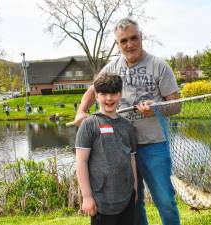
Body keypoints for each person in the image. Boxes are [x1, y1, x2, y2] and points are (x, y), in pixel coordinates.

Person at [74, 18, 181, 225]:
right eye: (123, 41)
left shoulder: (159, 66)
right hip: (120, 146)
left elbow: (177, 105)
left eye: (134, 38)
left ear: (141, 38)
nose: (129, 44)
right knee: (135, 201)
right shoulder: (111, 68)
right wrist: (81, 111)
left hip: (154, 145)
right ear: (117, 44)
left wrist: (156, 109)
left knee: (165, 200)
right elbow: (93, 90)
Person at [75, 74, 137, 225]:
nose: (109, 98)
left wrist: (134, 189)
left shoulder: (128, 126)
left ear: (120, 94)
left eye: (114, 93)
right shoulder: (89, 124)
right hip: (101, 202)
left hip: (126, 198)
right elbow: (81, 162)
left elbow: (132, 159)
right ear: (96, 96)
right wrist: (87, 197)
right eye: (103, 94)